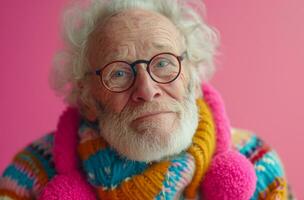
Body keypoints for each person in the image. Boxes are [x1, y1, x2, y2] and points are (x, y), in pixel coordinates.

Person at [0, 0, 295, 199]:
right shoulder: (31, 177)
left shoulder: (257, 164)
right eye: (118, 73)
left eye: (164, 63)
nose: (147, 89)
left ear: (193, 78)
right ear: (88, 98)